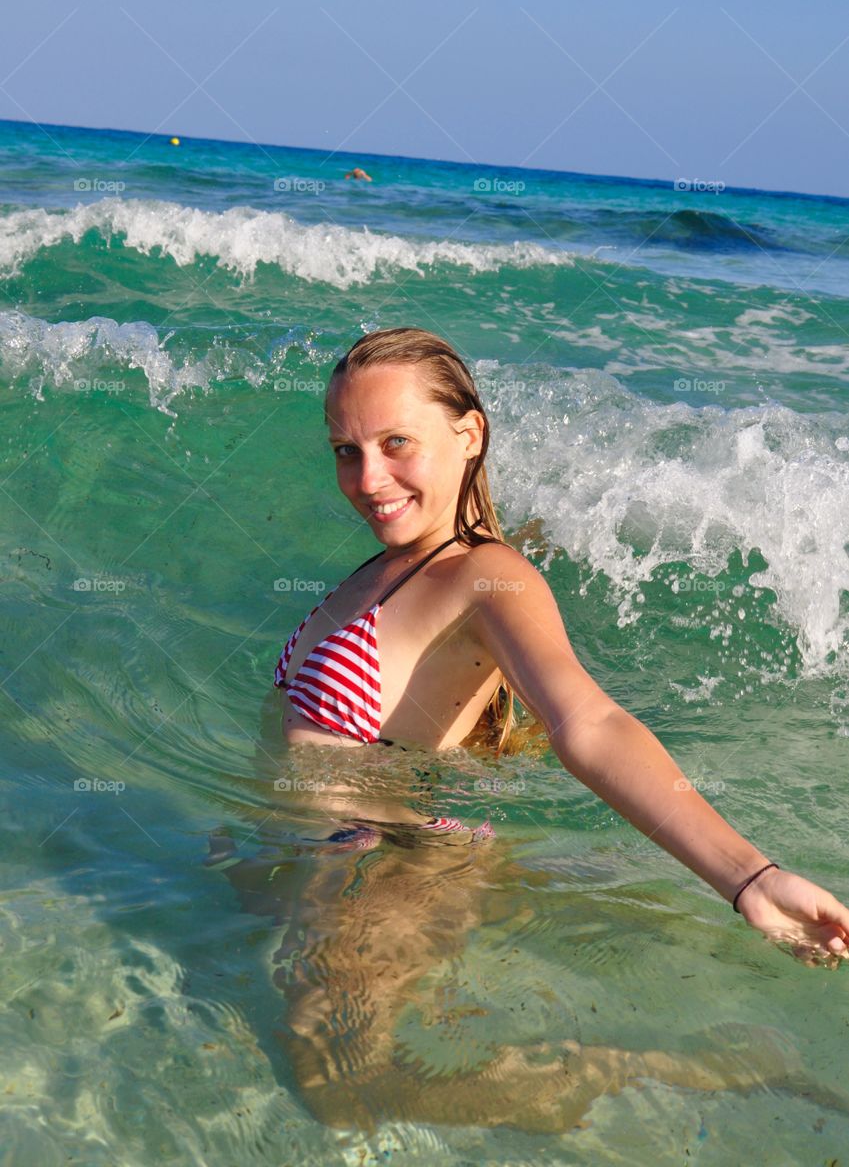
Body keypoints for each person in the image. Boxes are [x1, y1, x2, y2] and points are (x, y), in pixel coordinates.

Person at [211, 326, 849, 1133]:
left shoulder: (486, 576)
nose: (367, 478)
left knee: (340, 1091)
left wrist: (749, 878)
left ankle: (656, 1068)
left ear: (467, 434)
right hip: (331, 864)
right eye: (346, 450)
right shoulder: (390, 564)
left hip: (393, 872)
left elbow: (587, 720)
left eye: (395, 443)